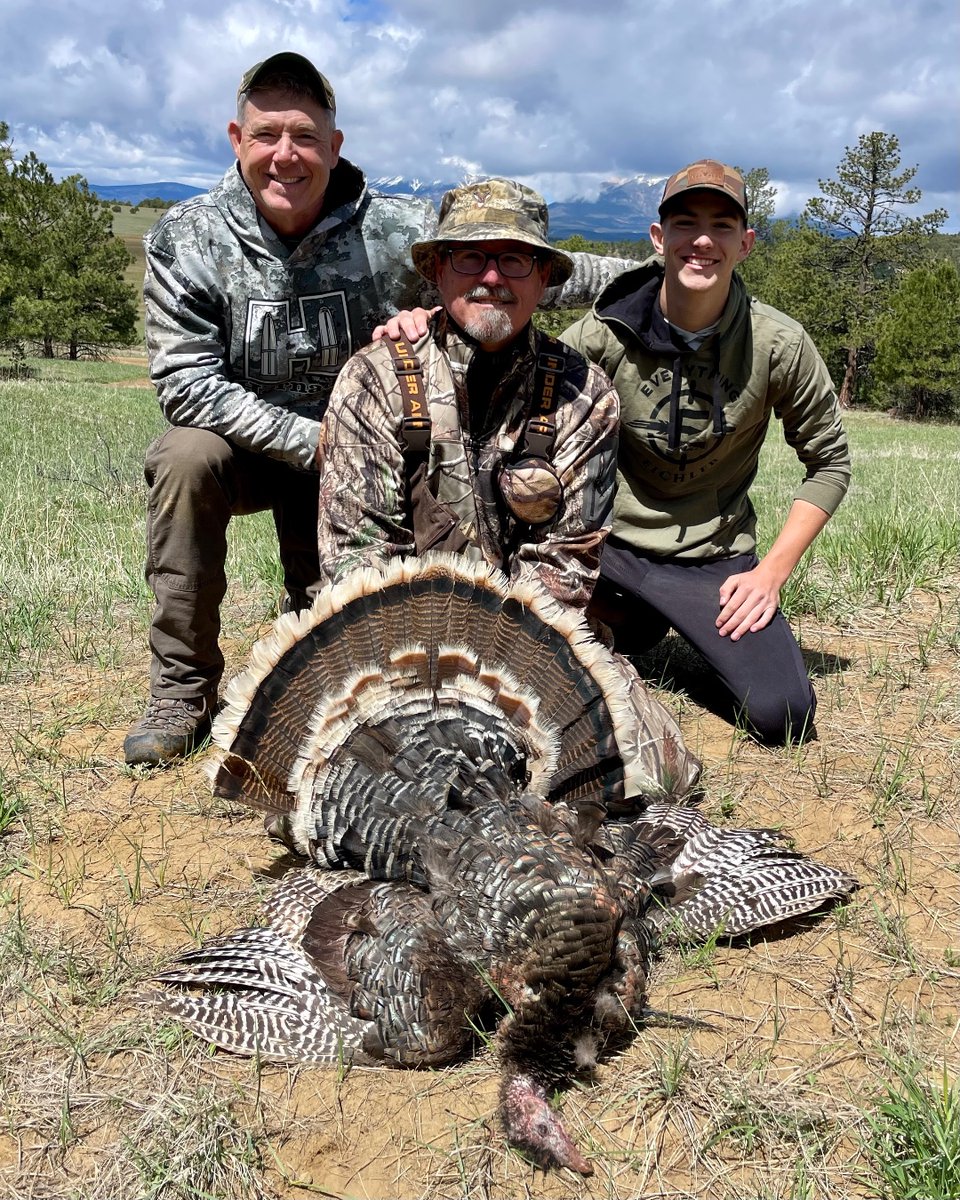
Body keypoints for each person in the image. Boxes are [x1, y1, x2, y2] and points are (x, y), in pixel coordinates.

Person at [125, 52, 635, 768]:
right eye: (266, 134)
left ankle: (317, 643)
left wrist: (661, 273)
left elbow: (494, 269)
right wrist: (321, 440)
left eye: (304, 136)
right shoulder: (190, 236)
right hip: (275, 447)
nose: (285, 154)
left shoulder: (393, 229)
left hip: (370, 460)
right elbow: (185, 385)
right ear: (236, 139)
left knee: (332, 635)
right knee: (182, 458)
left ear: (335, 147)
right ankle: (181, 689)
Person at [316, 178, 702, 798]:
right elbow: (355, 563)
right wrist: (430, 689)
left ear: (544, 278)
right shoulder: (374, 380)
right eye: (470, 256)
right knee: (344, 798)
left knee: (658, 778)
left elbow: (562, 570)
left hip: (528, 655)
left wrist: (492, 698)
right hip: (396, 656)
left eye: (514, 259)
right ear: (438, 271)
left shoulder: (584, 396)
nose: (492, 277)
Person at [561, 159, 851, 744]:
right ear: (657, 237)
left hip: (709, 561)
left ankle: (647, 621)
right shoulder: (604, 334)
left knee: (784, 717)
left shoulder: (777, 344)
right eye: (685, 222)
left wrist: (771, 573)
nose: (701, 240)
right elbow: (516, 387)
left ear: (744, 244)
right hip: (607, 548)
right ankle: (629, 619)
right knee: (537, 670)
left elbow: (830, 464)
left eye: (721, 226)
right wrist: (426, 326)